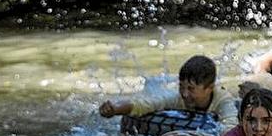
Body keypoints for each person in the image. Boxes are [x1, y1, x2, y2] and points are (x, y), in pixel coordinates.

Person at [98, 55, 239, 126]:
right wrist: (115, 109)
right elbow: (148, 104)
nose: (184, 94)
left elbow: (230, 124)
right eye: (181, 87)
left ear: (209, 88)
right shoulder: (178, 99)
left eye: (191, 89)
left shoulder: (223, 101)